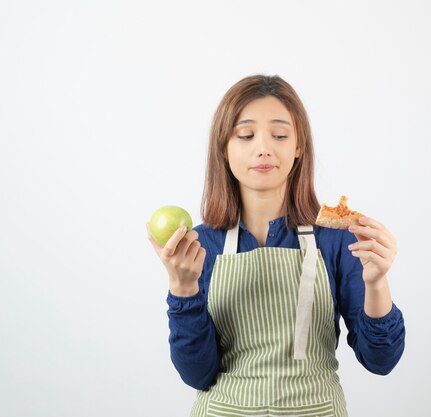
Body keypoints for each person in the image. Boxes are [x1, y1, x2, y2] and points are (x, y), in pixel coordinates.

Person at [146, 74, 405, 417]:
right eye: (246, 135)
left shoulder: (336, 238)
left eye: (280, 135)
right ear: (224, 147)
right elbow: (198, 374)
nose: (264, 147)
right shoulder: (200, 244)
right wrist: (182, 288)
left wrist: (376, 283)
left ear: (298, 146)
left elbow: (380, 361)